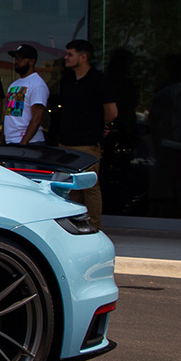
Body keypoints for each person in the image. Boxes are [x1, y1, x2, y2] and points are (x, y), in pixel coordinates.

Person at [53, 39, 118, 228]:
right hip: (65, 143)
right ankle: (75, 226)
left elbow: (112, 112)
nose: (66, 58)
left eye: (70, 54)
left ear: (83, 57)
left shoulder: (99, 80)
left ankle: (94, 226)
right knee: (70, 187)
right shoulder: (67, 80)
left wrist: (98, 125)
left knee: (89, 186)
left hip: (87, 142)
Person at [3, 44, 49, 145]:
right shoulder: (14, 84)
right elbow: (8, 114)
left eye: (21, 58)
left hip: (30, 143)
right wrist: (2, 139)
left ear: (32, 61)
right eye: (15, 58)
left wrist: (24, 143)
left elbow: (37, 117)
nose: (16, 61)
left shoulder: (37, 84)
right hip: (11, 141)